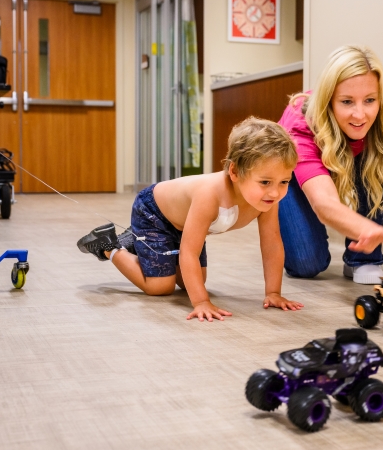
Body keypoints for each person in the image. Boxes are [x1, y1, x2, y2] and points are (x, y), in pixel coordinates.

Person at [77, 117, 304, 322]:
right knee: (160, 286)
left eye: (284, 182)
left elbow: (272, 243)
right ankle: (109, 246)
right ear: (234, 172)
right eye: (265, 182)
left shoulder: (267, 201)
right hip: (154, 213)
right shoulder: (210, 195)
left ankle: (137, 242)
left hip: (184, 223)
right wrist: (201, 302)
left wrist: (273, 293)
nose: (275, 193)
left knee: (191, 283)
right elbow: (189, 252)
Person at [278, 45, 383, 284]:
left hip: (356, 161)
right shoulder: (302, 122)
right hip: (294, 177)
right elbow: (324, 202)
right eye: (346, 102)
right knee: (307, 264)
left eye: (369, 100)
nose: (360, 114)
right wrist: (366, 229)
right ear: (329, 101)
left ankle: (363, 258)